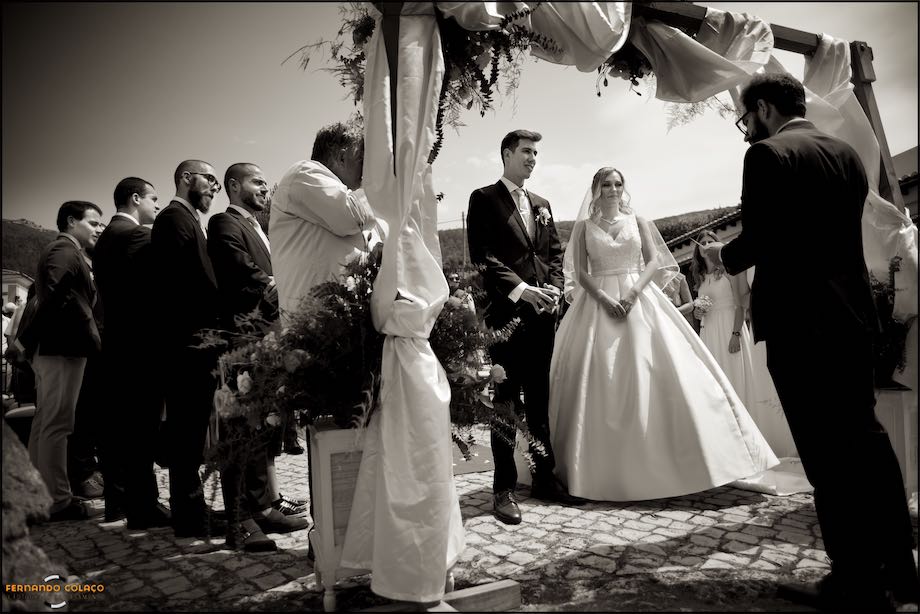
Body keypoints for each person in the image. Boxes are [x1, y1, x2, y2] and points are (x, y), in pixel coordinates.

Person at [701, 72, 918, 610]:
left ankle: (855, 582)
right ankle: (903, 575)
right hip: (852, 320)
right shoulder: (845, 154)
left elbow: (762, 239)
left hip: (802, 326)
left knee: (826, 459)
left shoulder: (768, 156)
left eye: (744, 118)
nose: (745, 130)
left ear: (766, 110)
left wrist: (719, 257)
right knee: (867, 446)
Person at [548, 167, 778, 502]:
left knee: (666, 371)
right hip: (597, 303)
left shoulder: (637, 221)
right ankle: (597, 469)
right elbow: (581, 272)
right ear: (595, 189)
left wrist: (631, 294)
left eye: (618, 184)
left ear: (623, 188)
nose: (612, 189)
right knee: (597, 376)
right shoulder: (584, 228)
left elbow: (653, 261)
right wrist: (605, 299)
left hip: (638, 295)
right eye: (606, 184)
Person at [466, 129, 582, 526]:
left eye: (536, 153)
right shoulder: (483, 199)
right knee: (505, 403)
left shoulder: (542, 204)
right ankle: (504, 489)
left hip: (542, 318)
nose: (533, 159)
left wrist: (552, 288)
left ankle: (545, 479)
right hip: (506, 319)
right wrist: (522, 289)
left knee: (539, 400)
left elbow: (553, 253)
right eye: (526, 152)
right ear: (507, 153)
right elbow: (483, 256)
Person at [207, 163, 309, 551]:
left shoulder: (260, 228)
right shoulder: (223, 223)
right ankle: (238, 521)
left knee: (263, 430)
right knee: (239, 431)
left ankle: (263, 507)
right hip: (242, 343)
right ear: (234, 186)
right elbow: (239, 269)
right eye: (258, 181)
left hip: (268, 342)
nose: (266, 188)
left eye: (267, 182)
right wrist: (278, 285)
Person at [151, 160, 226, 539]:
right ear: (186, 178)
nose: (215, 186)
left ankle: (192, 507)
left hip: (193, 344)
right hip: (186, 347)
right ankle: (188, 516)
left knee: (193, 433)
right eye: (210, 179)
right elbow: (192, 285)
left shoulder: (189, 220)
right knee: (186, 434)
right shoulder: (173, 219)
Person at [93, 176, 171, 529]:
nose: (156, 205)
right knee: (142, 428)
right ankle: (144, 506)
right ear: (136, 198)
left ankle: (118, 502)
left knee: (118, 430)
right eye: (153, 199)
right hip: (141, 347)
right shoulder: (138, 235)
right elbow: (155, 291)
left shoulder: (105, 238)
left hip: (114, 344)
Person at [18, 201, 103, 521]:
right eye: (93, 222)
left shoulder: (64, 251)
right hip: (62, 349)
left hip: (57, 348)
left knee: (46, 423)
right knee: (57, 424)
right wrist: (27, 341)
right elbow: (53, 299)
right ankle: (58, 500)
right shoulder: (64, 252)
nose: (97, 228)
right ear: (71, 221)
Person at [691, 231, 798, 460]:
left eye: (711, 241)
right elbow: (701, 311)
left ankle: (746, 440)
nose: (707, 245)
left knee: (735, 380)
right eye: (703, 242)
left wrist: (736, 333)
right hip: (709, 332)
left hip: (730, 327)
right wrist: (699, 312)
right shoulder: (699, 277)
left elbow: (740, 305)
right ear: (698, 250)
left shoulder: (729, 270)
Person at [271, 122, 379, 329]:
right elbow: (350, 216)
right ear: (341, 156)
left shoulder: (353, 196)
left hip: (346, 325)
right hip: (312, 326)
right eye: (362, 160)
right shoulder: (304, 173)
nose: (365, 170)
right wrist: (380, 181)